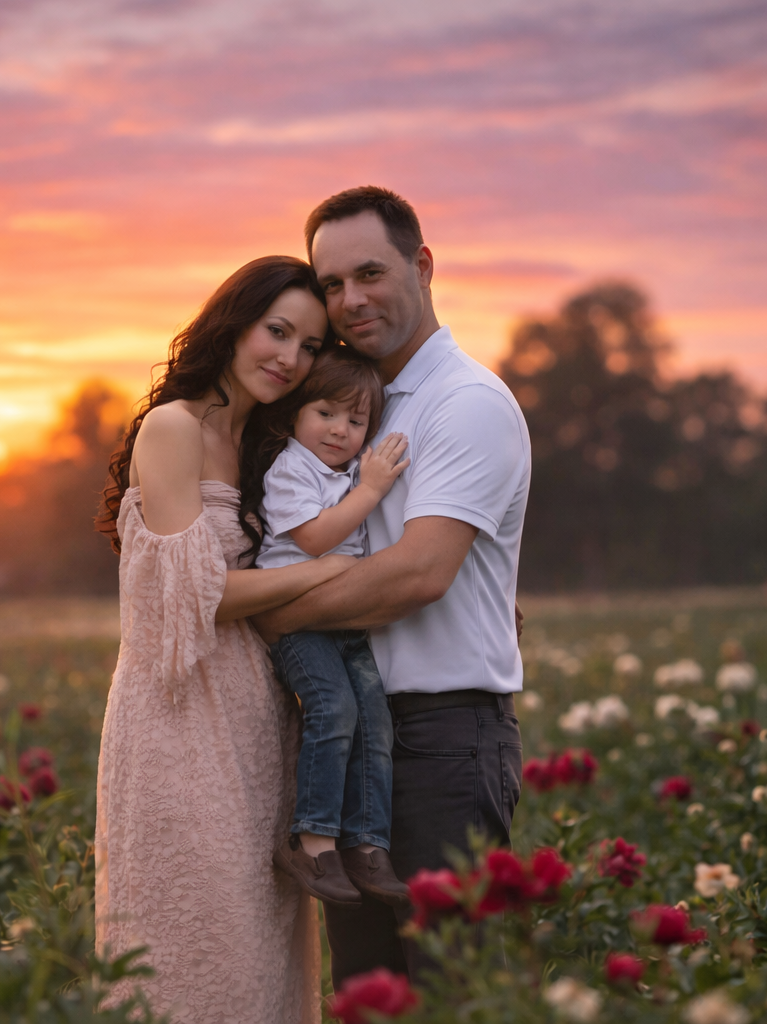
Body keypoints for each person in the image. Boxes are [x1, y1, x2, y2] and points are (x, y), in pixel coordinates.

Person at [253, 186, 532, 985]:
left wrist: (268, 613)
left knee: (455, 989)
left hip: (440, 740)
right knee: (369, 994)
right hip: (353, 739)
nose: (350, 300)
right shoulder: (349, 405)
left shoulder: (464, 401)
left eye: (370, 273)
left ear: (423, 264)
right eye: (332, 284)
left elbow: (419, 572)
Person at [93, 255, 354, 1023]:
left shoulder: (273, 443)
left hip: (257, 721)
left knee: (265, 957)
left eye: (310, 346)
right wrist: (329, 575)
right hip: (177, 717)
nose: (290, 358)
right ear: (233, 323)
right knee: (195, 947)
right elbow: (195, 600)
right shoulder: (173, 427)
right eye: (277, 332)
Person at [249, 347, 413, 907]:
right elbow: (316, 539)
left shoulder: (347, 471)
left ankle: (366, 844)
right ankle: (312, 841)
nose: (340, 430)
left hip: (344, 620)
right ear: (297, 412)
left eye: (356, 420)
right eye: (326, 412)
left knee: (374, 720)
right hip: (300, 622)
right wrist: (370, 490)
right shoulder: (291, 468)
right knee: (334, 709)